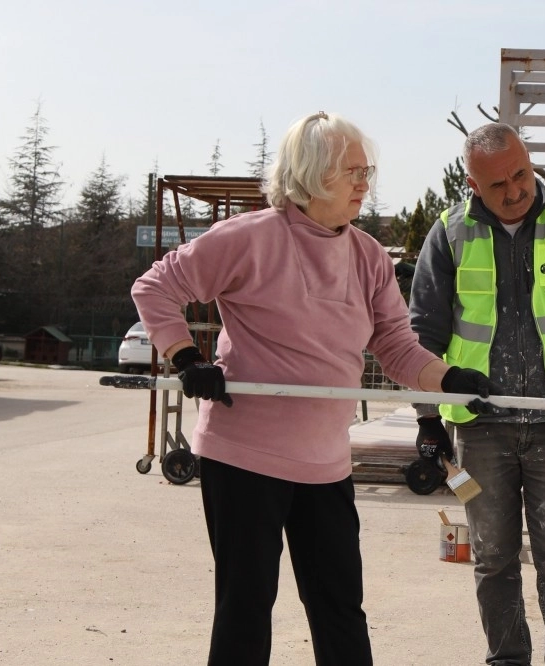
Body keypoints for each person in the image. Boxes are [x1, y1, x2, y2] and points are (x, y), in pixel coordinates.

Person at [131, 111, 496, 666]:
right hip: (244, 456)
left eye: (367, 171)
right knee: (245, 608)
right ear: (309, 173)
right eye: (352, 171)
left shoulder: (369, 256)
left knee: (339, 608)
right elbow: (155, 287)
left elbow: (396, 346)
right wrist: (186, 357)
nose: (364, 183)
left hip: (326, 464)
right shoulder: (249, 237)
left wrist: (449, 379)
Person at [409, 122, 545, 666]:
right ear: (472, 184)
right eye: (497, 184)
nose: (514, 192)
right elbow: (423, 335)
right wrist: (428, 419)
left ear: (529, 162)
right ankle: (507, 660)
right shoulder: (450, 233)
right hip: (481, 427)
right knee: (493, 561)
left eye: (521, 175)